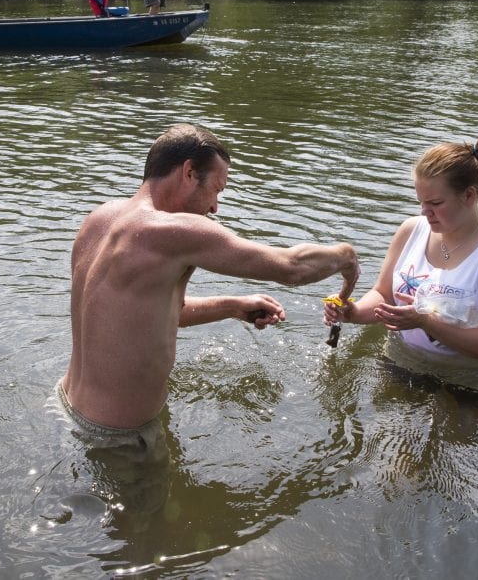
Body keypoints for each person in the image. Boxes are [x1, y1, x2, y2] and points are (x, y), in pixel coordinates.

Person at [58, 124, 360, 442]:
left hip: (67, 406)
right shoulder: (174, 232)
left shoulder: (99, 220)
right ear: (189, 173)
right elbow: (292, 268)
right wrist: (345, 256)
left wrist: (233, 306)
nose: (215, 206)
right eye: (216, 189)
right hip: (118, 436)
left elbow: (147, 316)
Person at [324, 135, 478, 364]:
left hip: (464, 384)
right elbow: (384, 294)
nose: (424, 212)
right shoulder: (411, 230)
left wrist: (427, 323)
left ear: (469, 195)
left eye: (436, 203)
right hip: (397, 363)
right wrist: (354, 312)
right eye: (421, 201)